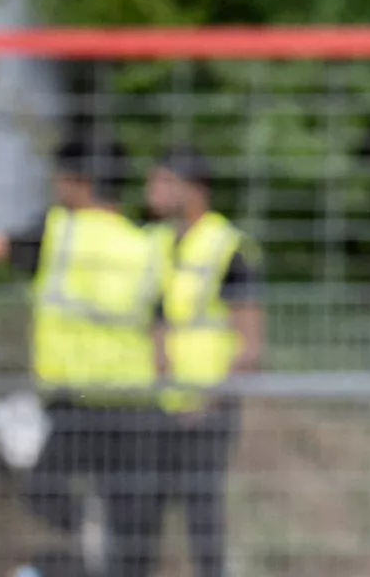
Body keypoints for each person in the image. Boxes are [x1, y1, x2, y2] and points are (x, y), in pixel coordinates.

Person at [0, 128, 168, 577]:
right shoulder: (145, 245)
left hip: (78, 403)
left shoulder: (56, 232)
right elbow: (162, 332)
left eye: (60, 178)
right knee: (132, 540)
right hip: (138, 403)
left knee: (46, 493)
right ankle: (94, 551)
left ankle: (80, 547)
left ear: (79, 182)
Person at [143, 144, 264, 577]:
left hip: (207, 407)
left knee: (202, 513)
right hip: (157, 402)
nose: (150, 191)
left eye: (161, 181)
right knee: (141, 510)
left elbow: (250, 343)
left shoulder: (226, 247)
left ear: (192, 190)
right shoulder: (155, 241)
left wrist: (210, 400)